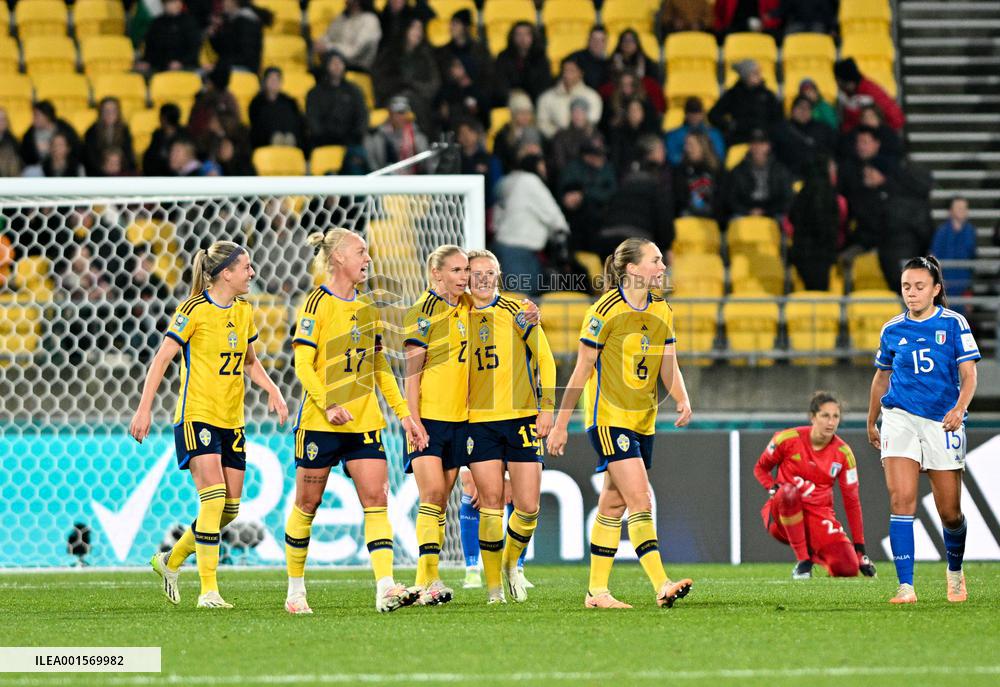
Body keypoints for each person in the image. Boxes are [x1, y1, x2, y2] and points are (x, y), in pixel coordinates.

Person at [130, 241, 288, 609]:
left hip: (232, 418)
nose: (252, 273)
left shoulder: (245, 310)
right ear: (225, 273)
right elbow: (161, 359)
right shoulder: (192, 310)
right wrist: (144, 409)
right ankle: (209, 591)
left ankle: (170, 560)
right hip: (196, 414)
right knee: (213, 498)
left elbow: (249, 361)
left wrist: (273, 389)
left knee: (229, 509)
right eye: (246, 267)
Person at [283, 229, 426, 614]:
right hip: (321, 424)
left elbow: (379, 367)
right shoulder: (315, 303)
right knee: (307, 504)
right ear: (338, 259)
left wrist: (405, 416)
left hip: (364, 423)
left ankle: (384, 588)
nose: (368, 258)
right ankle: (295, 591)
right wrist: (329, 403)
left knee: (377, 500)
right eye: (361, 251)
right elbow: (302, 364)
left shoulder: (368, 309)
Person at [547, 237, 694, 609]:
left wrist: (681, 396)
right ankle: (661, 584)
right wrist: (562, 423)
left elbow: (667, 362)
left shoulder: (663, 310)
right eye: (656, 260)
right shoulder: (604, 311)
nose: (663, 267)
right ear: (632, 269)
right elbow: (580, 370)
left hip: (644, 420)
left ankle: (596, 592)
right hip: (609, 420)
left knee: (613, 505)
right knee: (640, 499)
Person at [868, 256, 980, 604]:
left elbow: (969, 375)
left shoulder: (954, 323)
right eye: (906, 287)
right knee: (902, 500)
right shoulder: (892, 329)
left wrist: (960, 408)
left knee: (950, 512)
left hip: (941, 420)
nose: (912, 293)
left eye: (919, 287)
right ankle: (906, 587)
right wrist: (872, 419)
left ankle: (955, 572)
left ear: (936, 289)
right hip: (899, 417)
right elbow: (882, 376)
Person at [463, 249, 555, 603]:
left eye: (490, 272)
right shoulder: (457, 316)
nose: (483, 278)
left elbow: (545, 359)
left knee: (528, 505)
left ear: (498, 276)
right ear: (467, 277)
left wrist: (546, 407)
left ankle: (512, 563)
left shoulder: (518, 312)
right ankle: (494, 589)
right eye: (476, 272)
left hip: (520, 417)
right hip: (477, 422)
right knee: (489, 503)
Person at [402, 245, 472, 606]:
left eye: (465, 270)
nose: (464, 276)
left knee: (441, 502)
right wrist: (413, 422)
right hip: (427, 419)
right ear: (436, 273)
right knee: (431, 495)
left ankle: (425, 580)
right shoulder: (423, 312)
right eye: (456, 270)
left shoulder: (465, 308)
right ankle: (426, 579)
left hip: (457, 420)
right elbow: (411, 375)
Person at [754, 391, 876, 579]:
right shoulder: (786, 439)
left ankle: (821, 555)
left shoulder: (844, 453)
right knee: (788, 492)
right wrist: (772, 487)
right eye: (825, 416)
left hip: (818, 516)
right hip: (782, 517)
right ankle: (804, 563)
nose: (831, 422)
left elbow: (852, 502)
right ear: (812, 417)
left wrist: (860, 550)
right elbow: (761, 469)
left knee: (847, 569)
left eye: (835, 416)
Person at [491, 154, 569, 296]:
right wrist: (562, 229)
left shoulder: (509, 182)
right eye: (542, 165)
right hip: (518, 248)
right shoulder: (530, 181)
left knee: (524, 296)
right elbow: (552, 213)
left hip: (508, 246)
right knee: (521, 301)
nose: (544, 169)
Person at [722, 128, 793, 220]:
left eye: (762, 144)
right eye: (754, 144)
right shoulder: (738, 171)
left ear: (768, 146)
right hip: (744, 213)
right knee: (734, 221)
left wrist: (766, 211)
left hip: (773, 212)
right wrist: (748, 211)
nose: (758, 148)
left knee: (785, 222)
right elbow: (731, 199)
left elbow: (787, 198)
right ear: (750, 146)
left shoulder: (780, 170)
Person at [708, 60, 782, 145]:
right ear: (745, 76)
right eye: (754, 73)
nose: (759, 76)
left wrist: (767, 130)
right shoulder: (733, 94)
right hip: (739, 139)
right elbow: (713, 114)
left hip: (764, 141)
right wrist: (729, 125)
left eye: (758, 72)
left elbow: (778, 119)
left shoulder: (768, 95)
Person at [306, 51, 369, 150]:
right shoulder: (315, 93)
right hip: (323, 143)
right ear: (326, 66)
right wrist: (323, 137)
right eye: (333, 63)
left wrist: (355, 135)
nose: (337, 66)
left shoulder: (354, 90)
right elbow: (313, 120)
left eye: (339, 63)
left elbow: (362, 115)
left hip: (351, 142)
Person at [536, 57, 603, 139]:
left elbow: (592, 121)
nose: (567, 74)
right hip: (556, 142)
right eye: (565, 70)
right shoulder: (547, 97)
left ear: (581, 73)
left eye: (572, 71)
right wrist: (559, 135)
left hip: (584, 142)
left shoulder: (592, 96)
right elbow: (542, 122)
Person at [930, 197, 977, 311]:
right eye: (959, 208)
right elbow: (934, 259)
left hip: (963, 286)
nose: (962, 210)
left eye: (964, 208)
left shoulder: (971, 231)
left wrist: (969, 291)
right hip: (945, 286)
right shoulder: (941, 232)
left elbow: (973, 261)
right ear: (951, 211)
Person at [833, 58, 904, 134]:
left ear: (845, 81)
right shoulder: (852, 93)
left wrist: (883, 134)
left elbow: (896, 119)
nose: (837, 85)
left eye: (838, 81)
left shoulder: (870, 91)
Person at [313, 0, 382, 71]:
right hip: (335, 63)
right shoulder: (341, 18)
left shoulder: (370, 20)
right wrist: (320, 43)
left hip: (357, 68)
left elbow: (355, 51)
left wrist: (328, 47)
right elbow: (328, 36)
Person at [494, 21, 552, 104]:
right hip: (510, 99)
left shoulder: (540, 57)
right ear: (512, 37)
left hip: (535, 99)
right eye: (519, 34)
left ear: (533, 37)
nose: (522, 38)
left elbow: (544, 83)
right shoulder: (504, 57)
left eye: (526, 34)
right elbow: (500, 83)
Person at [138, 0, 202, 73]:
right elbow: (149, 46)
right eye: (167, 3)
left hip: (184, 66)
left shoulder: (189, 22)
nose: (169, 5)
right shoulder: (156, 23)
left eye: (173, 2)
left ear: (180, 4)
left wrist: (181, 62)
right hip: (158, 65)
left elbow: (195, 49)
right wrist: (146, 61)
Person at [248, 67, 306, 149]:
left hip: (290, 137)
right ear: (264, 81)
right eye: (271, 79)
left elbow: (298, 120)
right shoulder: (257, 102)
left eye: (277, 79)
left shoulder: (289, 101)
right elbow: (255, 123)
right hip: (265, 139)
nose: (274, 82)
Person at [207, 0, 266, 73]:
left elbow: (246, 57)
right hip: (233, 66)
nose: (223, 4)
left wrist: (220, 65)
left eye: (225, 1)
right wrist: (214, 36)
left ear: (234, 2)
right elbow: (224, 50)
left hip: (245, 70)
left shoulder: (247, 23)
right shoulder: (231, 20)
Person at [664, 96, 725, 167]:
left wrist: (701, 159)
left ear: (702, 113)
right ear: (686, 114)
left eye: (697, 112)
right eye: (691, 112)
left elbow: (719, 156)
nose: (694, 116)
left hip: (709, 170)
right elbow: (671, 157)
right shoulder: (673, 135)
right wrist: (689, 160)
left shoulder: (714, 134)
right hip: (683, 171)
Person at [673, 131, 721, 219]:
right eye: (686, 144)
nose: (686, 148)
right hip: (688, 216)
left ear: (702, 146)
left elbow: (722, 197)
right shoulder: (680, 170)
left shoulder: (718, 169)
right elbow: (679, 198)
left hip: (715, 217)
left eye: (691, 145)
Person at [568, 25, 610, 91]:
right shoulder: (576, 59)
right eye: (594, 39)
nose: (597, 44)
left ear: (606, 43)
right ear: (588, 40)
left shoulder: (609, 64)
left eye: (601, 40)